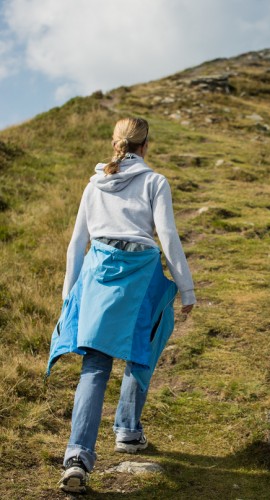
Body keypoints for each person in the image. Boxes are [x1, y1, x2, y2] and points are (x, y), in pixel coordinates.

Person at [46, 117, 195, 494]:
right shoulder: (154, 182)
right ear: (145, 145)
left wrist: (69, 295)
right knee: (140, 350)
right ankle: (127, 431)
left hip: (97, 273)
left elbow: (76, 242)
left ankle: (77, 457)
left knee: (95, 364)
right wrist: (187, 289)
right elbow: (168, 235)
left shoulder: (94, 184)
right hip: (140, 275)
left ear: (116, 144)